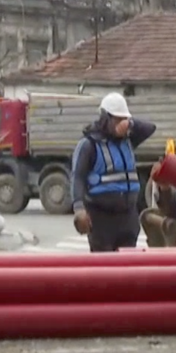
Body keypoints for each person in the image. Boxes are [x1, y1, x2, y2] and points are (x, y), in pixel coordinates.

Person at [70, 93, 156, 252]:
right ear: (104, 119)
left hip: (128, 216)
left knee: (127, 269)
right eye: (117, 119)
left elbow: (150, 128)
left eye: (124, 119)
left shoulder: (128, 140)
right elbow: (78, 178)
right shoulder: (89, 145)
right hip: (101, 218)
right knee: (105, 270)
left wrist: (129, 122)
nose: (122, 124)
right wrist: (79, 209)